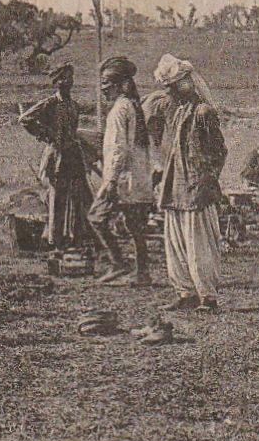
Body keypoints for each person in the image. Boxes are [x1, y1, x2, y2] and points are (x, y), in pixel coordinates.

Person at [153, 54, 227, 311]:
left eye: (173, 87)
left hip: (197, 187)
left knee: (200, 243)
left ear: (187, 83)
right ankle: (185, 293)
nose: (170, 92)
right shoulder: (176, 110)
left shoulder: (204, 112)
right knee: (175, 241)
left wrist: (206, 178)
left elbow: (219, 152)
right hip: (175, 185)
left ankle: (208, 296)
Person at [19, 63, 99, 253]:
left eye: (70, 78)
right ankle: (55, 241)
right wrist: (45, 134)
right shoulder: (50, 104)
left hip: (74, 155)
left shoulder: (74, 106)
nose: (67, 82)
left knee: (80, 196)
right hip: (57, 156)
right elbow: (24, 119)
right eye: (63, 79)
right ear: (57, 83)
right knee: (58, 197)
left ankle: (78, 237)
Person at [91, 56, 154, 285]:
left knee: (96, 217)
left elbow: (119, 149)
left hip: (122, 180)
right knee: (136, 227)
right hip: (138, 179)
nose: (104, 89)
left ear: (119, 85)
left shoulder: (119, 110)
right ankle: (142, 272)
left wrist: (110, 181)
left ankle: (119, 263)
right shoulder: (133, 106)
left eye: (107, 84)